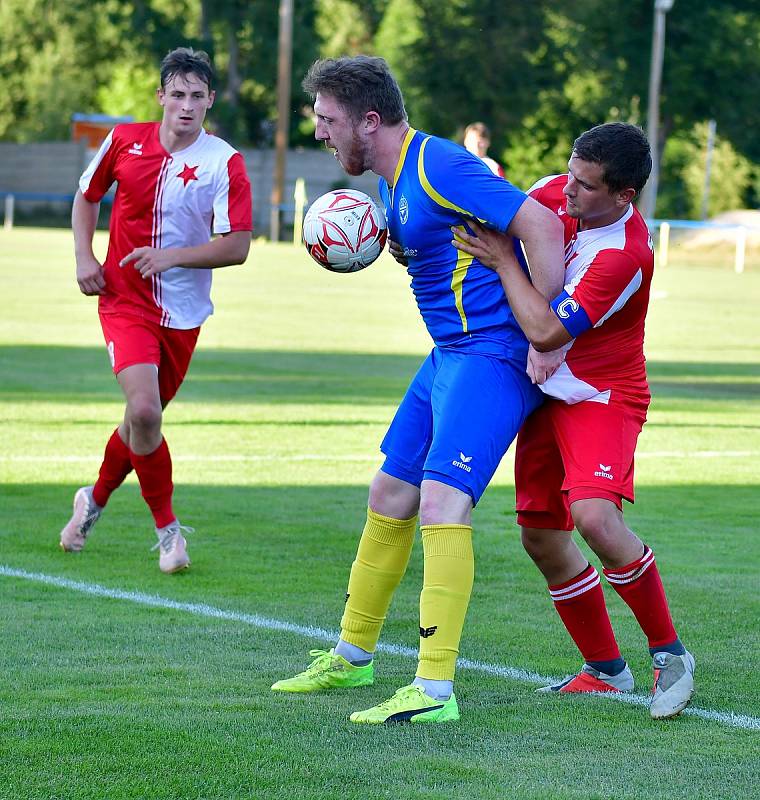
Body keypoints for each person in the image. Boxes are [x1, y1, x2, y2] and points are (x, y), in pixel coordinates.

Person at [270, 55, 564, 724]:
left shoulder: (441, 165)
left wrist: (551, 338)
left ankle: (434, 691)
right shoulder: (397, 182)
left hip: (492, 355)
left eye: (327, 120)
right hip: (447, 357)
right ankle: (352, 657)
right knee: (389, 493)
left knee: (440, 501)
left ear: (369, 121)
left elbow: (539, 227)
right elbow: (442, 243)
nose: (319, 132)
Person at [452, 122, 695, 720]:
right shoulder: (553, 191)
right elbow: (493, 222)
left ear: (623, 196)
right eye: (570, 173)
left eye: (585, 187)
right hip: (546, 390)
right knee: (540, 533)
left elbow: (545, 329)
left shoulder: (623, 255)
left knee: (593, 515)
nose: (568, 193)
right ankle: (606, 668)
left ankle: (671, 655)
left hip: (601, 394)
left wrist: (507, 261)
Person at [60, 47, 252, 573]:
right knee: (145, 412)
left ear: (210, 99)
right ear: (160, 96)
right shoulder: (123, 140)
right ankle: (169, 534)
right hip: (124, 301)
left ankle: (91, 503)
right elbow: (86, 196)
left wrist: (171, 258)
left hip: (185, 315)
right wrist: (84, 256)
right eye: (177, 94)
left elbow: (237, 245)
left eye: (197, 96)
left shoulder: (224, 162)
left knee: (139, 424)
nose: (186, 106)